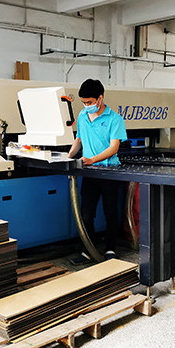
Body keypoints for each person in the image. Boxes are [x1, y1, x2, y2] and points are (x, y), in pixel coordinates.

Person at [68, 79, 127, 265]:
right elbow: (78, 139)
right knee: (86, 214)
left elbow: (114, 147)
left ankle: (110, 249)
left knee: (110, 212)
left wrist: (93, 159)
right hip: (89, 172)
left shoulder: (115, 119)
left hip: (109, 171)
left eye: (90, 102)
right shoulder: (83, 116)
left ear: (100, 98)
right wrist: (67, 158)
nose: (87, 106)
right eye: (84, 102)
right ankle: (88, 250)